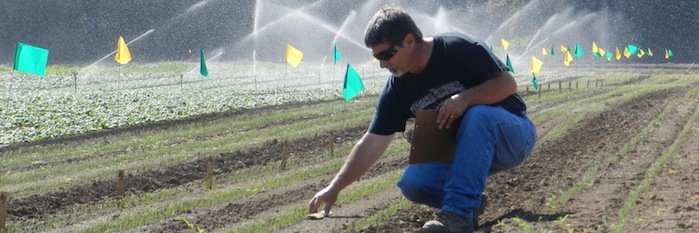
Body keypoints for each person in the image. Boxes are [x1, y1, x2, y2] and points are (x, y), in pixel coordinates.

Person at [308, 7, 536, 233]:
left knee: (478, 115)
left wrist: (465, 99)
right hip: (465, 153)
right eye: (377, 57)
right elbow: (372, 142)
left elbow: (508, 84)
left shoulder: (457, 47)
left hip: (513, 136)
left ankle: (458, 215)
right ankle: (469, 203)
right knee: (414, 183)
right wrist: (335, 187)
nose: (382, 64)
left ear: (409, 41)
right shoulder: (397, 89)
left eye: (386, 55)